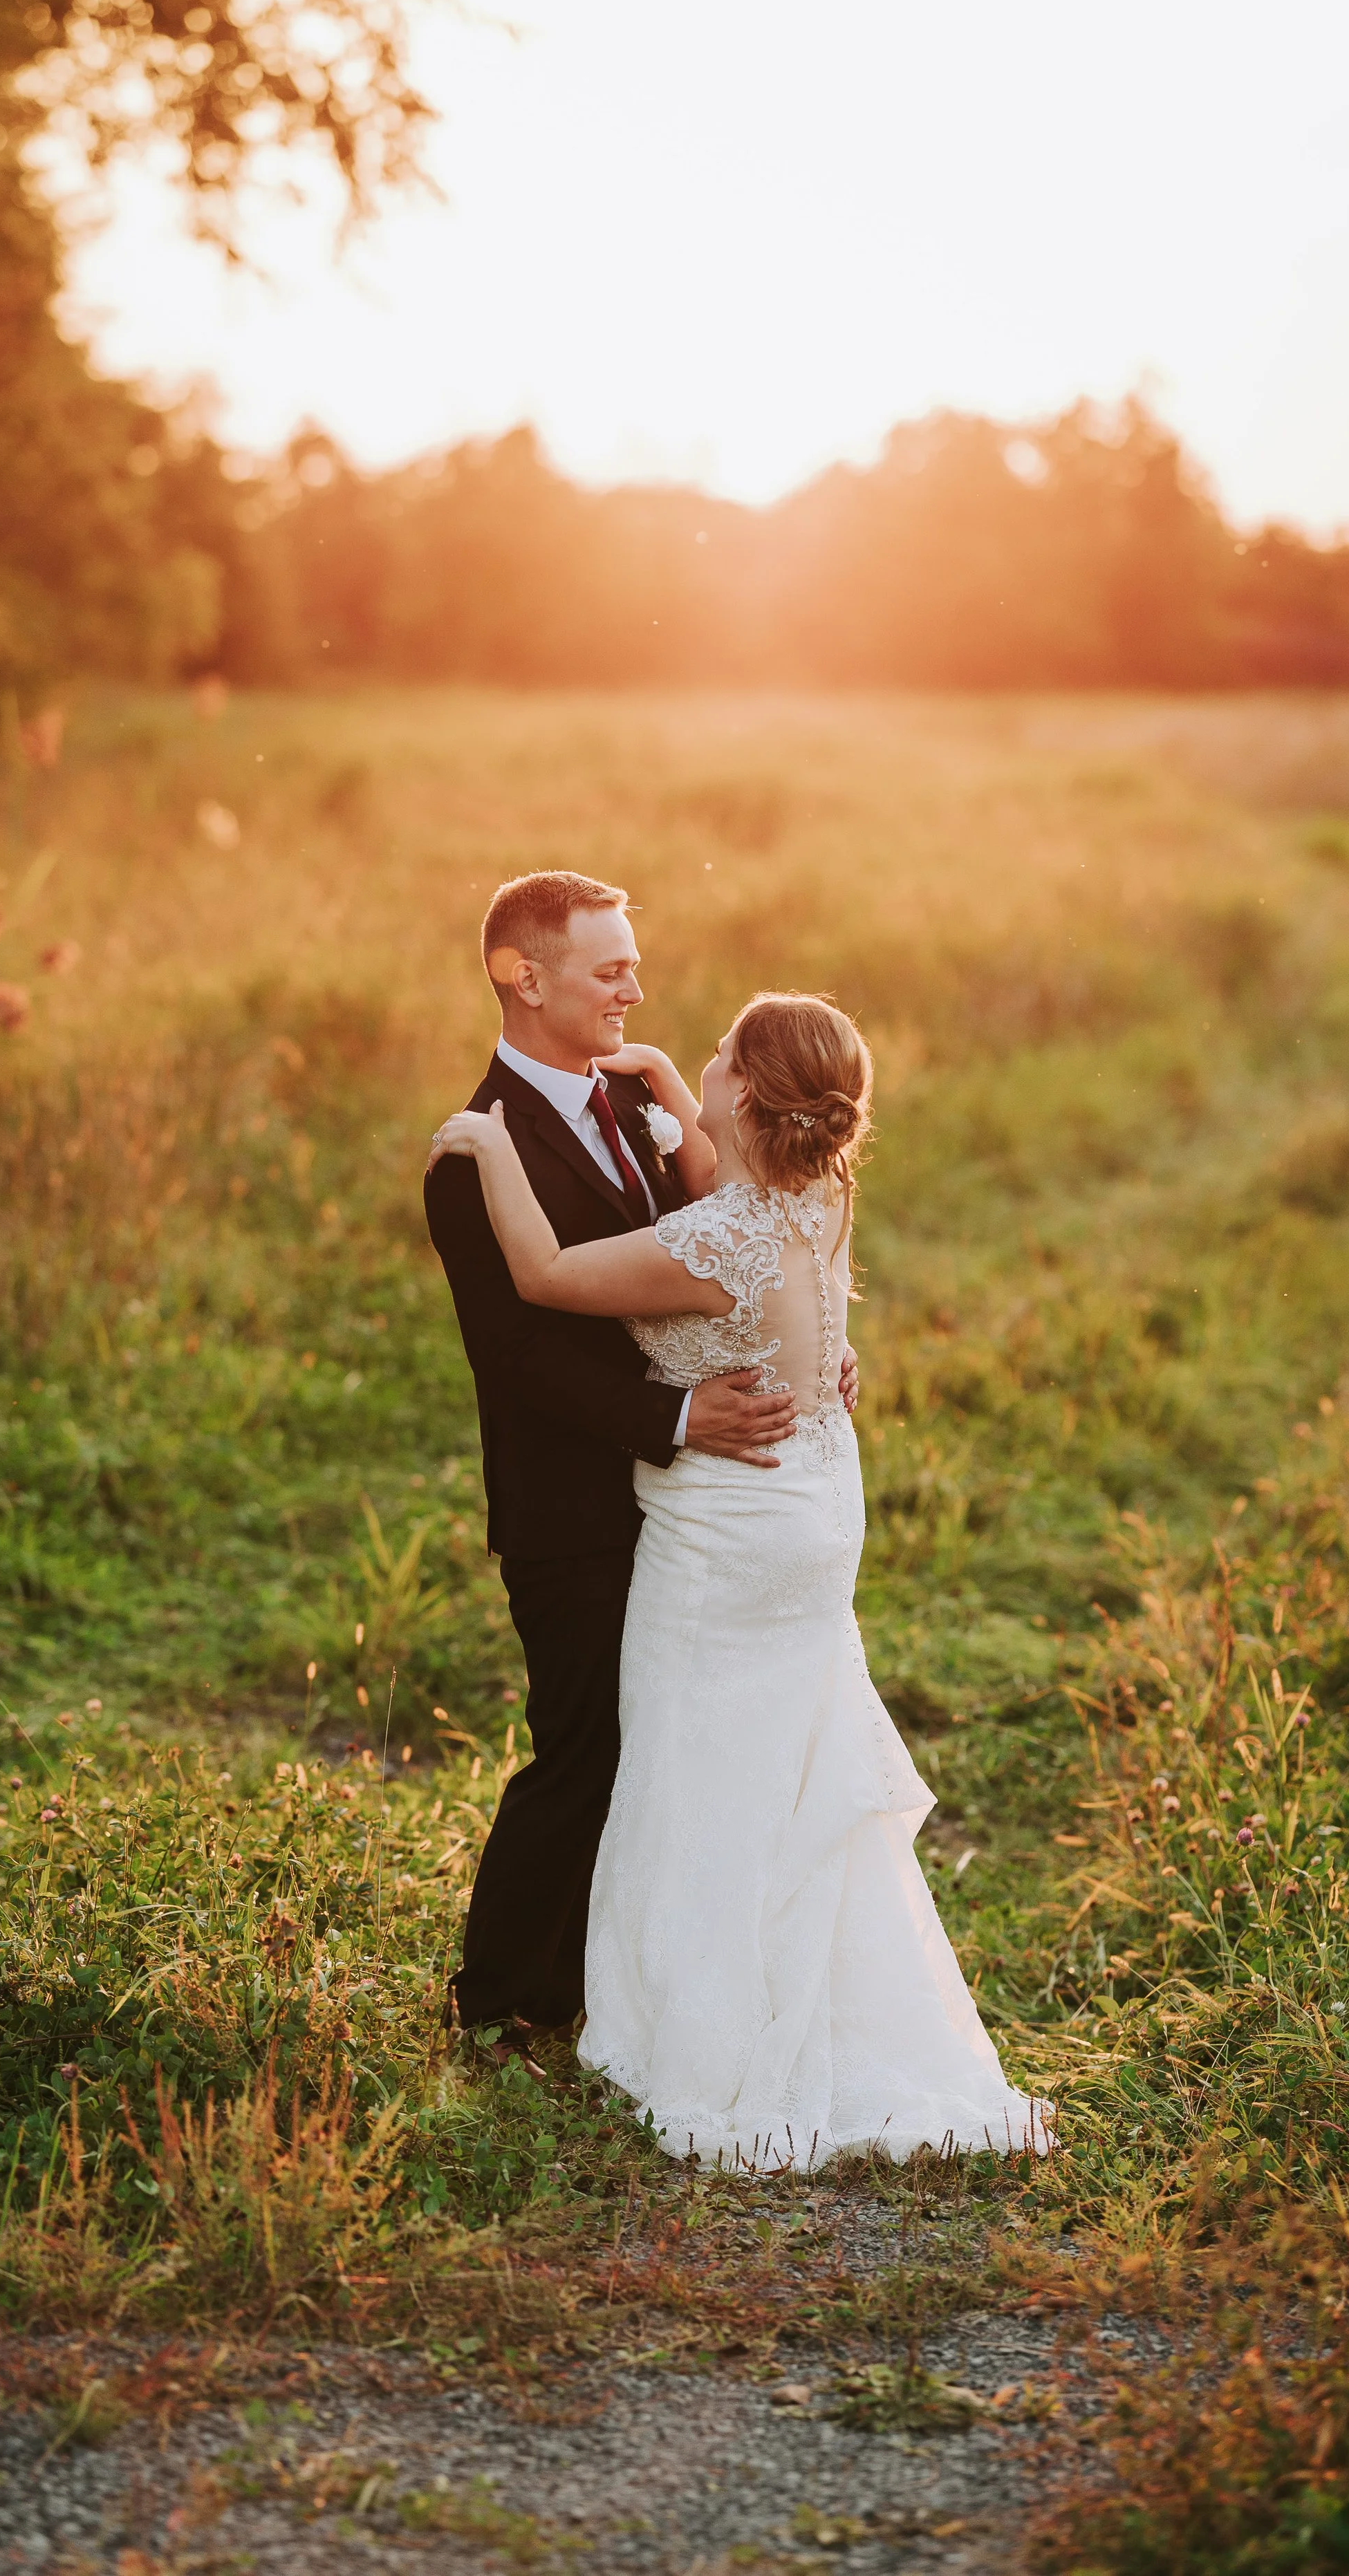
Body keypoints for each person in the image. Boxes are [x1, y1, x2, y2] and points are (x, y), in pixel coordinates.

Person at [431, 984, 1051, 2166]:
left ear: (752, 1097)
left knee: (692, 1760)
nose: (698, 1057)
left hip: (727, 1525)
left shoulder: (718, 1235)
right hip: (814, 1497)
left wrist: (487, 1141)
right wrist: (672, 1077)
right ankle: (812, 1986)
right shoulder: (817, 1199)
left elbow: (550, 1275)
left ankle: (702, 2035)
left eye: (720, 1054)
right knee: (784, 1750)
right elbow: (742, 1201)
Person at [423, 870, 857, 2061]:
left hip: (693, 1506)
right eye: (608, 966)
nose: (636, 986)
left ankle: (614, 1988)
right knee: (584, 1743)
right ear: (524, 977)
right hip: (576, 1500)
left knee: (668, 1743)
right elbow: (520, 1355)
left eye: (632, 962)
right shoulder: (474, 1157)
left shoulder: (636, 1102)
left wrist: (807, 1350)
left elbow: (739, 1235)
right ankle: (500, 2002)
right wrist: (675, 1417)